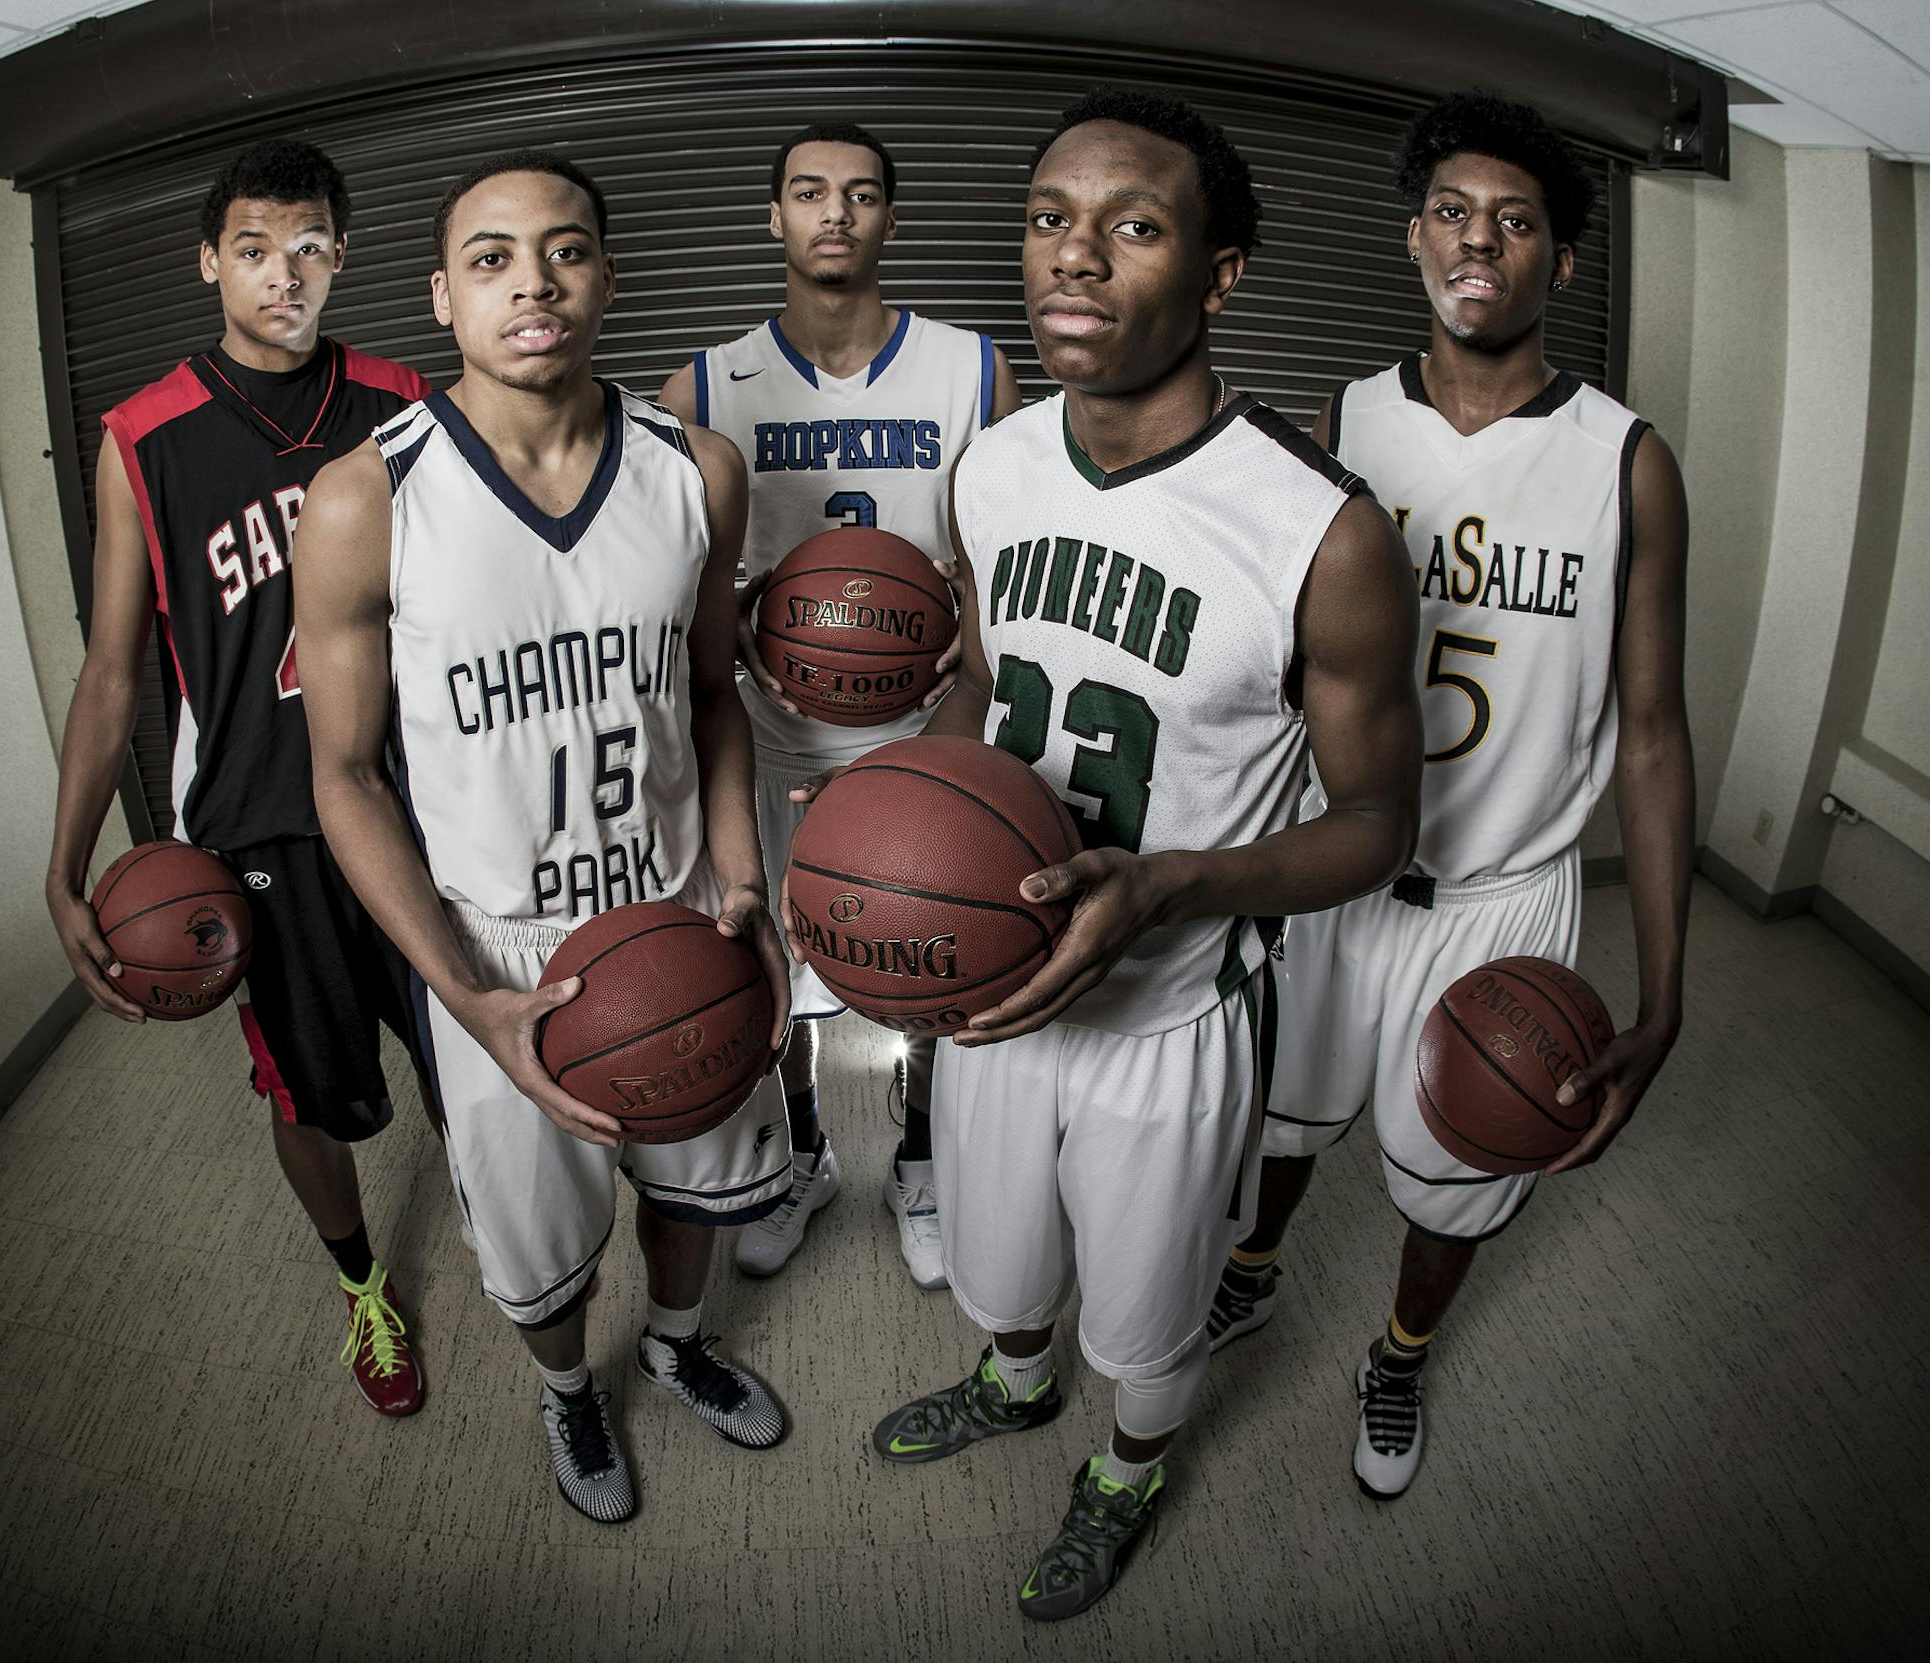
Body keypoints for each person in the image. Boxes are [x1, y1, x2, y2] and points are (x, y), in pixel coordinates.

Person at [813, 87, 1423, 1619]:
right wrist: (895, 821)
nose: (1074, 258)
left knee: (1146, 1322)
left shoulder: (1321, 530)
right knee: (1003, 1275)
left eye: (1134, 227)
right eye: (1048, 220)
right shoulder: (997, 465)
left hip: (1171, 1006)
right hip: (999, 985)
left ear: (1217, 275)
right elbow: (979, 672)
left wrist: (1170, 881)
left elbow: (1377, 825)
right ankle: (1016, 1387)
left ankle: (1130, 1468)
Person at [291, 151, 796, 1525]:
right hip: (497, 951)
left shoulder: (696, 469)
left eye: (567, 250)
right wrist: (465, 995)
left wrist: (747, 882)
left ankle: (680, 1345)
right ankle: (572, 1388)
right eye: (496, 257)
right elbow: (344, 775)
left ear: (607, 279)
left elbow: (713, 691)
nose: (535, 282)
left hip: (682, 911)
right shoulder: (364, 496)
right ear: (444, 296)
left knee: (695, 1184)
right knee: (542, 1249)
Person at [1215, 90, 1693, 1501]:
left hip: (1504, 898)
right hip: (1339, 873)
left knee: (1464, 1169)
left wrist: (1665, 991)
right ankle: (1253, 1265)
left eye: (1520, 219)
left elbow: (1655, 732)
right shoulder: (1341, 420)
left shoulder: (1627, 457)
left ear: (1560, 258)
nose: (1482, 238)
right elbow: (1273, 670)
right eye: (1454, 211)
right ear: (1417, 236)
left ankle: (1404, 1345)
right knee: (1287, 1118)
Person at [43, 138, 434, 1417]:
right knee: (307, 1090)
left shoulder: (402, 399)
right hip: (261, 823)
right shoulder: (141, 438)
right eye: (256, 249)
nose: (287, 273)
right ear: (210, 260)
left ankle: (515, 1240)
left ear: (342, 256)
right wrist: (62, 870)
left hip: (417, 800)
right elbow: (114, 673)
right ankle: (361, 1284)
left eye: (312, 245)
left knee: (469, 1050)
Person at [658, 122, 1021, 1285]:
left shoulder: (972, 369)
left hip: (925, 732)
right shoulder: (705, 384)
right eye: (809, 192)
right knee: (776, 962)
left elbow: (1002, 563)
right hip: (767, 736)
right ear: (773, 217)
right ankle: (805, 1150)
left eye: (861, 195)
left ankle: (919, 1152)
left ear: (889, 220)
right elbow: (672, 590)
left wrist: (968, 640)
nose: (835, 212)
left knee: (933, 949)